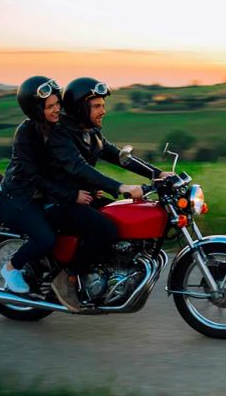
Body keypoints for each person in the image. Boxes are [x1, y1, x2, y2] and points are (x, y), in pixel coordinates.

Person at [46, 77, 172, 311]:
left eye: (103, 105)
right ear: (79, 108)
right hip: (59, 200)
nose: (103, 111)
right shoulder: (61, 135)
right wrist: (120, 187)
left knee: (121, 216)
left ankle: (105, 270)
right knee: (106, 228)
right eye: (96, 106)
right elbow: (78, 167)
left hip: (83, 196)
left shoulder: (90, 132)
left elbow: (118, 156)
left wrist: (158, 174)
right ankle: (69, 277)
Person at [0, 76, 93, 294]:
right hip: (20, 198)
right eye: (49, 106)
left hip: (44, 195)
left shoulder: (56, 128)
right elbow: (35, 177)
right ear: (34, 109)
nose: (56, 110)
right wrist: (71, 194)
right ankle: (11, 268)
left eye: (57, 104)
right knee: (46, 238)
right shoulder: (26, 134)